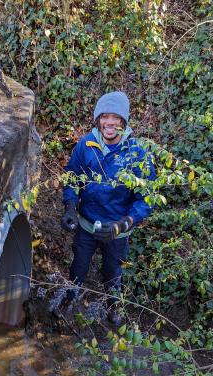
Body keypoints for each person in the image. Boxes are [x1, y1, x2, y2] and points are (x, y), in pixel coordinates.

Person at [61, 91, 156, 324]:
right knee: (78, 267)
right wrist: (70, 205)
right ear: (98, 119)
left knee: (113, 272)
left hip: (117, 229)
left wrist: (124, 223)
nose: (110, 123)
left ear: (123, 122)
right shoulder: (86, 145)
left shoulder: (137, 153)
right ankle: (68, 302)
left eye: (116, 118)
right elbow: (72, 176)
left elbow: (147, 197)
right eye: (105, 117)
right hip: (87, 224)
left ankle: (114, 309)